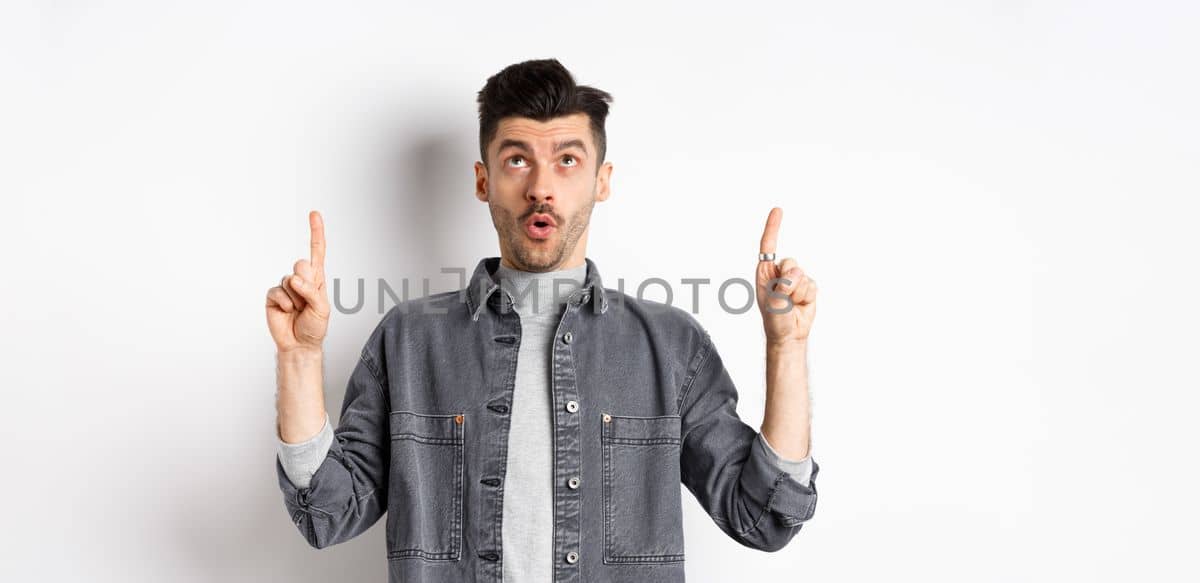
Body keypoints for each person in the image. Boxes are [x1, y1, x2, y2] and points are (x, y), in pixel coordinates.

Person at [264, 58, 820, 583]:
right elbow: (327, 514)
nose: (541, 187)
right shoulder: (409, 339)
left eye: (567, 160)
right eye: (517, 159)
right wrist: (299, 359)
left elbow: (762, 518)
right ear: (483, 181)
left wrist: (786, 348)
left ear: (601, 181)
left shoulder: (670, 345)